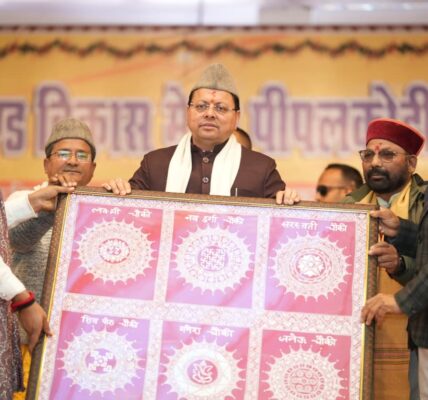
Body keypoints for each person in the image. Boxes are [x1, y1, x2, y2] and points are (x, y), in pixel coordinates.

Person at [104, 63, 299, 204]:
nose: (209, 114)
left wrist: (287, 200)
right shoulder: (155, 163)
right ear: (188, 112)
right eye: (201, 106)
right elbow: (130, 209)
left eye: (220, 108)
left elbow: (278, 221)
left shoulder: (261, 167)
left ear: (236, 117)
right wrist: (116, 191)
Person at [7, 117, 96, 399]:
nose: (73, 161)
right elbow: (17, 241)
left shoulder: (101, 211)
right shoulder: (24, 200)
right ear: (47, 164)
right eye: (63, 153)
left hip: (82, 350)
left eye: (82, 155)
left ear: (93, 168)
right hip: (29, 344)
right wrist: (49, 210)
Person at [343, 118, 426, 400]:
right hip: (356, 333)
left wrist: (400, 264)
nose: (375, 162)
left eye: (387, 154)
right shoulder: (348, 205)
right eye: (368, 155)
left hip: (416, 333)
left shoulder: (424, 202)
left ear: (411, 163)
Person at [1, 184, 74, 399]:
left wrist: (32, 203)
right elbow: (18, 241)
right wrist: (22, 299)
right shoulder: (23, 196)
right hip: (28, 334)